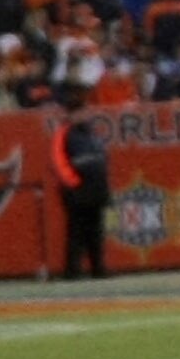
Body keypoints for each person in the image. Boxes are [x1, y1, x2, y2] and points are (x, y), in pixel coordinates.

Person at [52, 104, 111, 279]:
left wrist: (103, 184)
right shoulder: (64, 134)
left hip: (96, 188)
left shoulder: (93, 134)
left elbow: (103, 158)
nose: (84, 116)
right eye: (79, 113)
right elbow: (59, 161)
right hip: (77, 190)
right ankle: (73, 270)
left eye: (85, 112)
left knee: (96, 231)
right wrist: (73, 183)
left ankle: (98, 268)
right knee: (76, 232)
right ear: (70, 115)